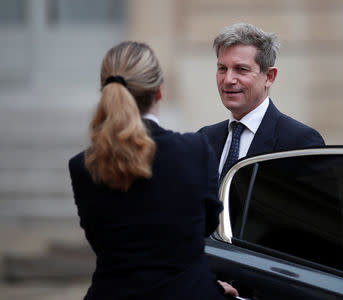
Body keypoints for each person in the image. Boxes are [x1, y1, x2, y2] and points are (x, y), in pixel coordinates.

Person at [68, 41, 238, 299]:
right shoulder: (195, 151)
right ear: (159, 92)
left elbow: (102, 243)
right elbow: (206, 227)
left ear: (105, 92)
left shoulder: (83, 166)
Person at [199, 23, 325, 180]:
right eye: (222, 68)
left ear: (269, 77)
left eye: (241, 69)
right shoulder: (204, 139)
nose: (228, 79)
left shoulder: (300, 142)